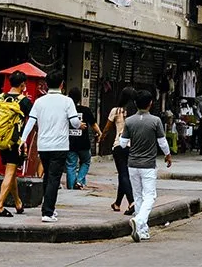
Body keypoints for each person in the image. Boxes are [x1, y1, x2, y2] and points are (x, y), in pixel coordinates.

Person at [20, 70, 80, 222]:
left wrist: (23, 139)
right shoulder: (67, 102)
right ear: (62, 84)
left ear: (46, 85)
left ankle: (47, 207)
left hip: (43, 146)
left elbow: (31, 122)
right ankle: (47, 212)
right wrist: (79, 124)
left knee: (48, 175)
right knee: (54, 178)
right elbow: (74, 123)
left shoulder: (39, 102)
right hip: (60, 145)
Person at [122, 89, 172, 242]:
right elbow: (162, 142)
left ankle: (142, 230)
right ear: (150, 103)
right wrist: (168, 155)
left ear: (135, 104)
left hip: (132, 164)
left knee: (137, 196)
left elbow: (123, 144)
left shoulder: (129, 121)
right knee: (150, 196)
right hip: (148, 165)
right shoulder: (156, 121)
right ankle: (139, 221)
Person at [0, 70, 31, 218]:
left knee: (10, 171)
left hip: (0, 140)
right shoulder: (24, 101)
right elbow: (29, 122)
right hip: (14, 141)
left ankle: (18, 203)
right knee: (10, 172)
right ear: (22, 84)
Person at [100, 86, 137, 215]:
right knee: (124, 174)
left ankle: (132, 202)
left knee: (123, 174)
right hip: (133, 147)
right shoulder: (136, 113)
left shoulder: (116, 111)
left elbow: (107, 128)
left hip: (119, 145)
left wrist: (101, 137)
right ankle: (117, 203)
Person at [65, 87, 98, 190]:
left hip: (70, 143)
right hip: (83, 143)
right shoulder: (85, 110)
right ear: (79, 98)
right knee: (86, 162)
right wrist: (100, 133)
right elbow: (93, 124)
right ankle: (79, 181)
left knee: (71, 165)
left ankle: (71, 187)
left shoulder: (66, 111)